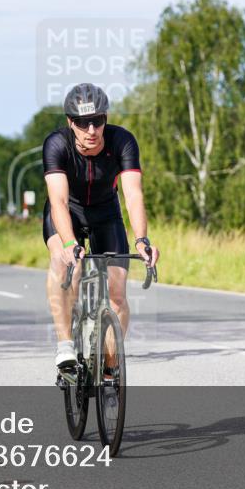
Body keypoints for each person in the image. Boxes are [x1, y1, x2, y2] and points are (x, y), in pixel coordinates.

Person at [42, 83, 159, 369]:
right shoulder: (57, 144)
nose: (91, 129)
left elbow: (133, 194)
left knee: (117, 293)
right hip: (67, 213)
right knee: (68, 265)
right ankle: (65, 346)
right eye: (83, 122)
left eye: (97, 120)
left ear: (106, 118)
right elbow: (57, 201)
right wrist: (70, 244)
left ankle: (108, 368)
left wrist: (142, 240)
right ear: (71, 122)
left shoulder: (123, 141)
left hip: (106, 214)